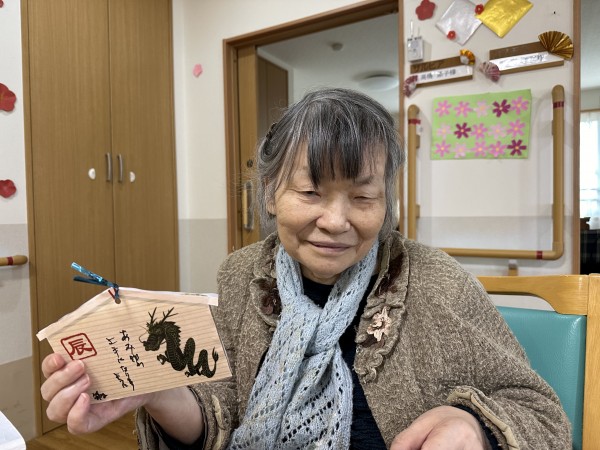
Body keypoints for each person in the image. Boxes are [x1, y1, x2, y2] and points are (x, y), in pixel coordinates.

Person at [41, 88, 570, 449]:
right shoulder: (241, 276)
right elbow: (214, 411)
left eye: (363, 197)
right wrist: (157, 391)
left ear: (386, 202)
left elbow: (541, 415)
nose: (335, 222)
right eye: (311, 192)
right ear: (272, 193)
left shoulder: (436, 281)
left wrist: (474, 426)